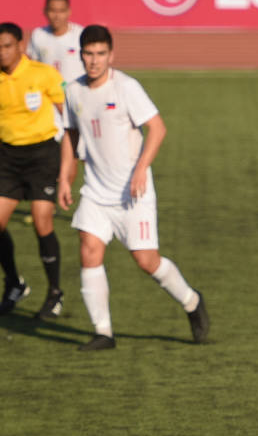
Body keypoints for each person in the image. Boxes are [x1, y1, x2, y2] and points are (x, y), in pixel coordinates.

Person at [58, 24, 209, 351]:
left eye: (101, 54)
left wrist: (141, 169)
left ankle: (191, 301)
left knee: (146, 261)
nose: (94, 61)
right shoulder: (72, 91)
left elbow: (157, 128)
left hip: (132, 194)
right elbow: (70, 134)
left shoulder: (127, 88)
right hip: (96, 192)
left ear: (111, 55)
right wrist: (64, 176)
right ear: (80, 55)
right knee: (89, 249)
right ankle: (103, 332)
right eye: (89, 54)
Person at [0, 22, 65, 319]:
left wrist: (71, 158)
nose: (1, 52)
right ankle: (14, 283)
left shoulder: (44, 74)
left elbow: (69, 111)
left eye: (6, 46)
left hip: (43, 155)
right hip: (10, 159)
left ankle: (55, 293)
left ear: (20, 45)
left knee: (42, 221)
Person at [26, 0, 85, 87]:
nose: (57, 16)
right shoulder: (38, 35)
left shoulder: (80, 34)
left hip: (74, 96)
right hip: (48, 96)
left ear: (69, 12)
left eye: (61, 11)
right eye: (52, 10)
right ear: (45, 11)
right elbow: (31, 66)